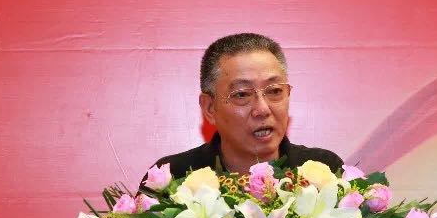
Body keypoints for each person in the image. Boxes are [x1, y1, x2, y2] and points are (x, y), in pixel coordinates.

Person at [146, 33, 342, 181]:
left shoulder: (323, 173)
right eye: (242, 95)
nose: (262, 109)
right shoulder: (172, 178)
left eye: (275, 91)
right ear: (210, 108)